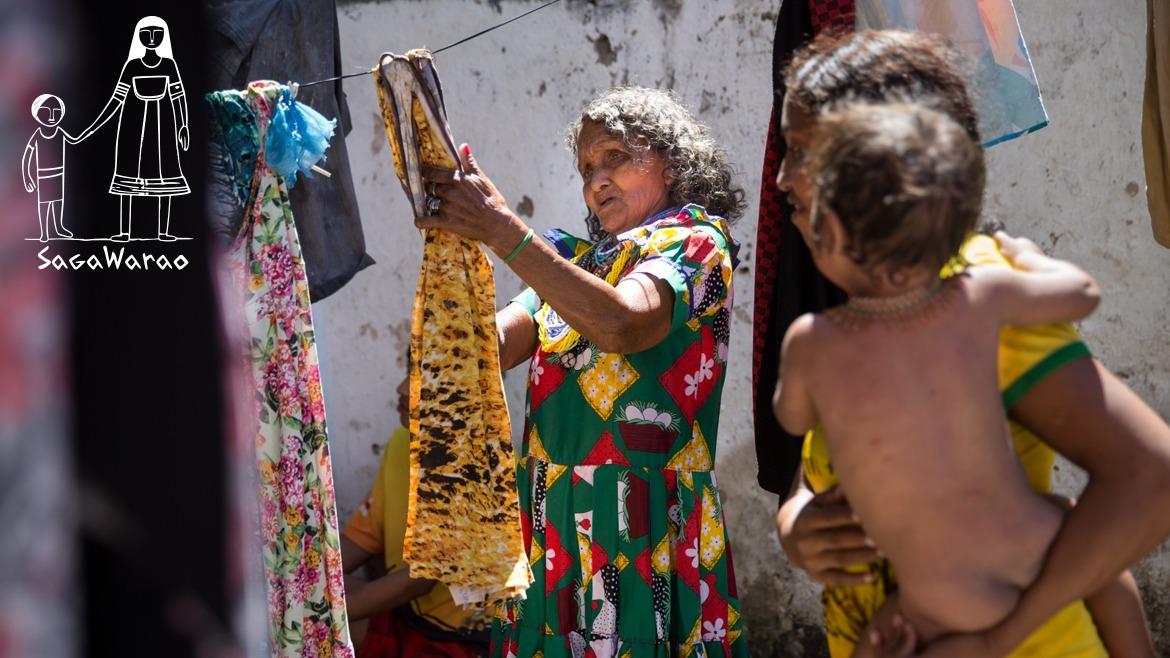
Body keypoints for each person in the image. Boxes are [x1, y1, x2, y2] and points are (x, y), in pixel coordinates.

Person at [772, 30, 1170, 658]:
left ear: (876, 165)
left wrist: (993, 635)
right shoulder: (869, 313)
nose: (780, 176)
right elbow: (825, 457)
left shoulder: (968, 297)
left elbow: (1151, 477)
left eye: (798, 149)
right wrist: (795, 521)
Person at [416, 87, 750, 657]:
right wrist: (457, 250)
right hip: (557, 521)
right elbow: (490, 346)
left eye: (615, 157)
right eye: (587, 168)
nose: (596, 180)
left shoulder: (696, 244)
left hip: (646, 522)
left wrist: (502, 230)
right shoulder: (570, 264)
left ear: (670, 163)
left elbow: (623, 324)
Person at [341, 359, 491, 658]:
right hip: (406, 616)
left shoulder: (474, 470)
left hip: (461, 641)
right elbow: (360, 539)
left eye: (420, 378)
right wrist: (302, 573)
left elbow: (416, 584)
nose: (400, 388)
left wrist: (315, 606)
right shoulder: (401, 444)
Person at [78, 15, 189, 241]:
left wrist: (183, 125)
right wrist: (92, 128)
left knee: (164, 176)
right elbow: (116, 100)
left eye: (156, 34)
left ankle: (163, 232)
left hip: (163, 125)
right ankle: (124, 231)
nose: (151, 38)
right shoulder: (132, 66)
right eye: (145, 34)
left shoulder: (169, 65)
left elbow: (179, 97)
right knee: (128, 175)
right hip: (133, 125)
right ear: (138, 37)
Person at [22, 94, 80, 242]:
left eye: (56, 111)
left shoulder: (59, 131)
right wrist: (27, 176)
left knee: (58, 201)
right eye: (47, 111)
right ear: (37, 113)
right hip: (43, 175)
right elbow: (27, 157)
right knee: (44, 203)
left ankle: (59, 227)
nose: (52, 116)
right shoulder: (38, 134)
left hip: (59, 173)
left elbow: (74, 140)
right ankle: (44, 232)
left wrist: (89, 131)